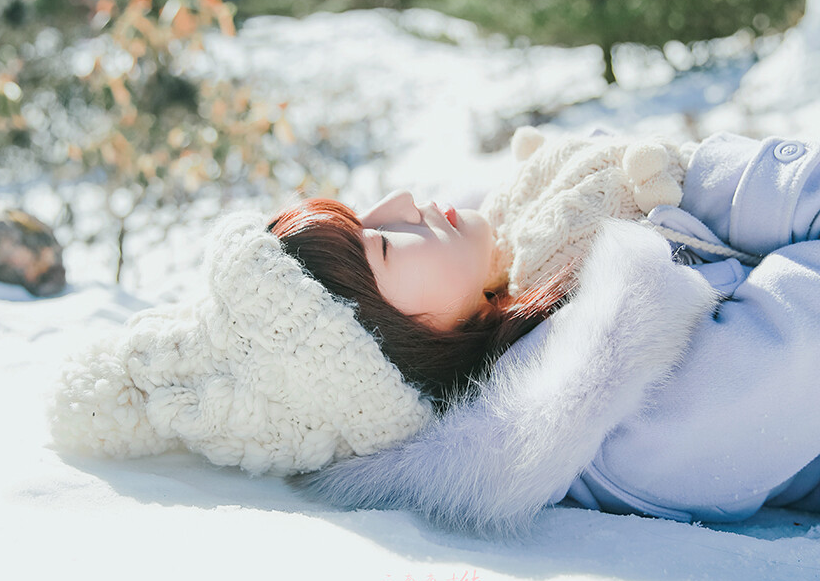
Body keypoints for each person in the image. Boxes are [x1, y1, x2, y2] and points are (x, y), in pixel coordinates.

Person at [278, 129, 820, 538]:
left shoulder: (532, 245)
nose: (397, 201)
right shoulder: (628, 425)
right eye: (382, 245)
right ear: (399, 359)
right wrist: (711, 182)